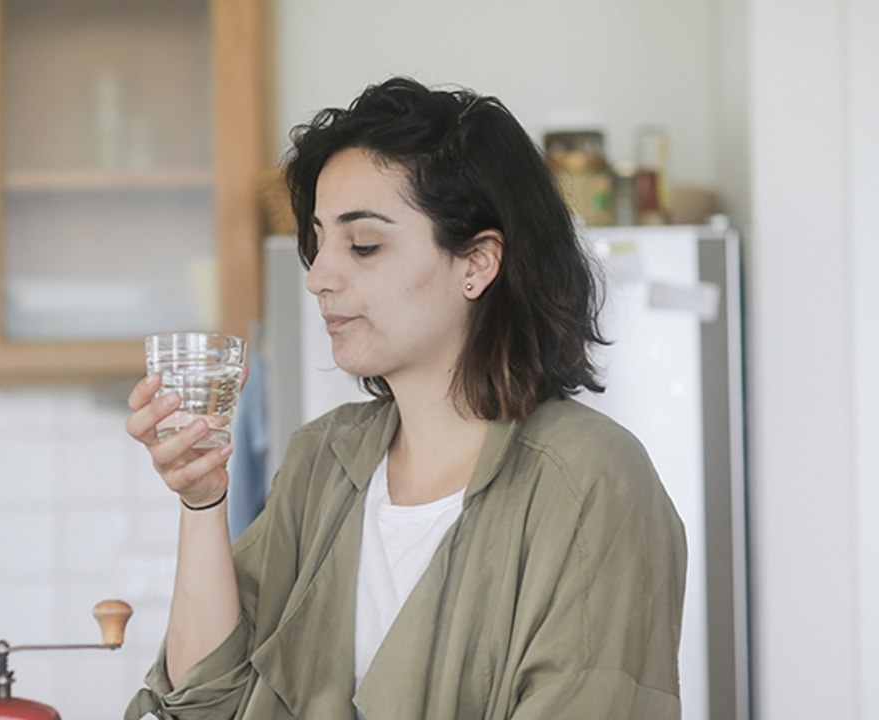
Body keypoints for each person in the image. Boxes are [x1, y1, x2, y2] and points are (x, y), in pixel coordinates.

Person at [122, 76, 686, 720]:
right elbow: (204, 703)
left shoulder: (592, 478)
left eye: (364, 245)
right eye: (318, 242)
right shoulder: (321, 461)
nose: (318, 277)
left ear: (477, 263)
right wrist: (202, 501)